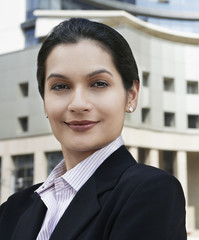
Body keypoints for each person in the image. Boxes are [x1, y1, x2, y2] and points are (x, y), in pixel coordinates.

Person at [0, 18, 187, 240]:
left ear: (131, 95)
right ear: (44, 101)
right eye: (60, 86)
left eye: (99, 83)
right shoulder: (13, 209)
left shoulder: (151, 191)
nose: (78, 104)